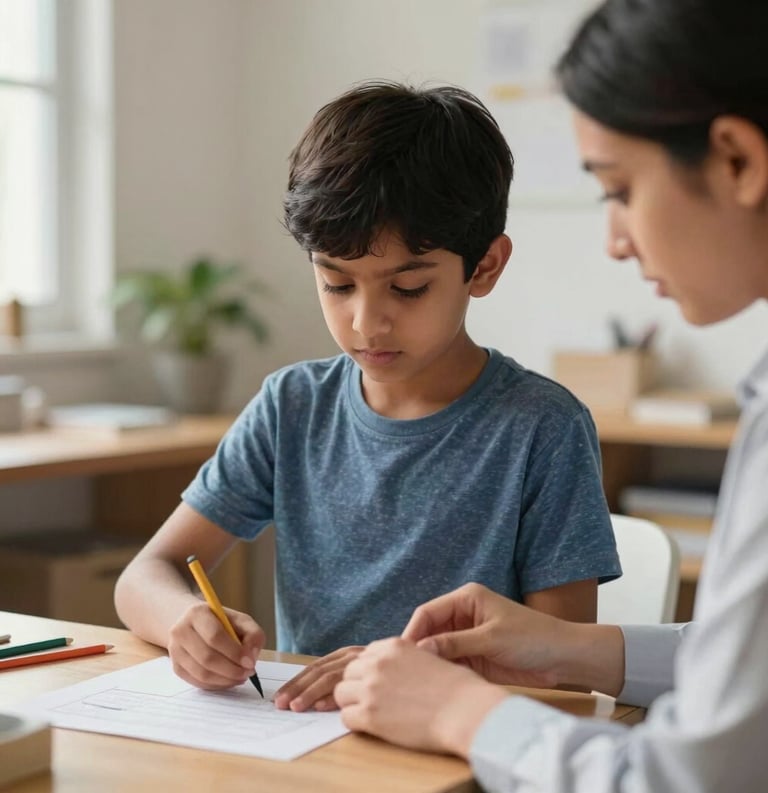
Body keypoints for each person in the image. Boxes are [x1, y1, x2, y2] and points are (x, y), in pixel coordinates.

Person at [334, 2, 768, 791]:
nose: (615, 238)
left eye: (619, 188)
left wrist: (457, 714)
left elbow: (692, 778)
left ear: (737, 160)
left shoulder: (543, 420)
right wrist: (568, 647)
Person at [114, 81, 621, 712]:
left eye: (407, 288)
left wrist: (403, 677)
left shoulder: (541, 426)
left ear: (484, 267)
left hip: (459, 749)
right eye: (336, 283)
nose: (365, 322)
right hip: (306, 746)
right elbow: (145, 575)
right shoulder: (292, 405)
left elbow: (565, 668)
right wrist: (183, 621)